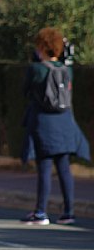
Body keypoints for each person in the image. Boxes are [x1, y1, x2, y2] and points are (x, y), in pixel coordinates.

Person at [20, 27, 91, 226]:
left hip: (44, 122)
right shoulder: (66, 69)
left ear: (41, 46)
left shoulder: (36, 69)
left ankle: (41, 212)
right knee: (64, 168)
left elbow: (25, 91)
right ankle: (68, 212)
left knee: (44, 168)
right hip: (65, 122)